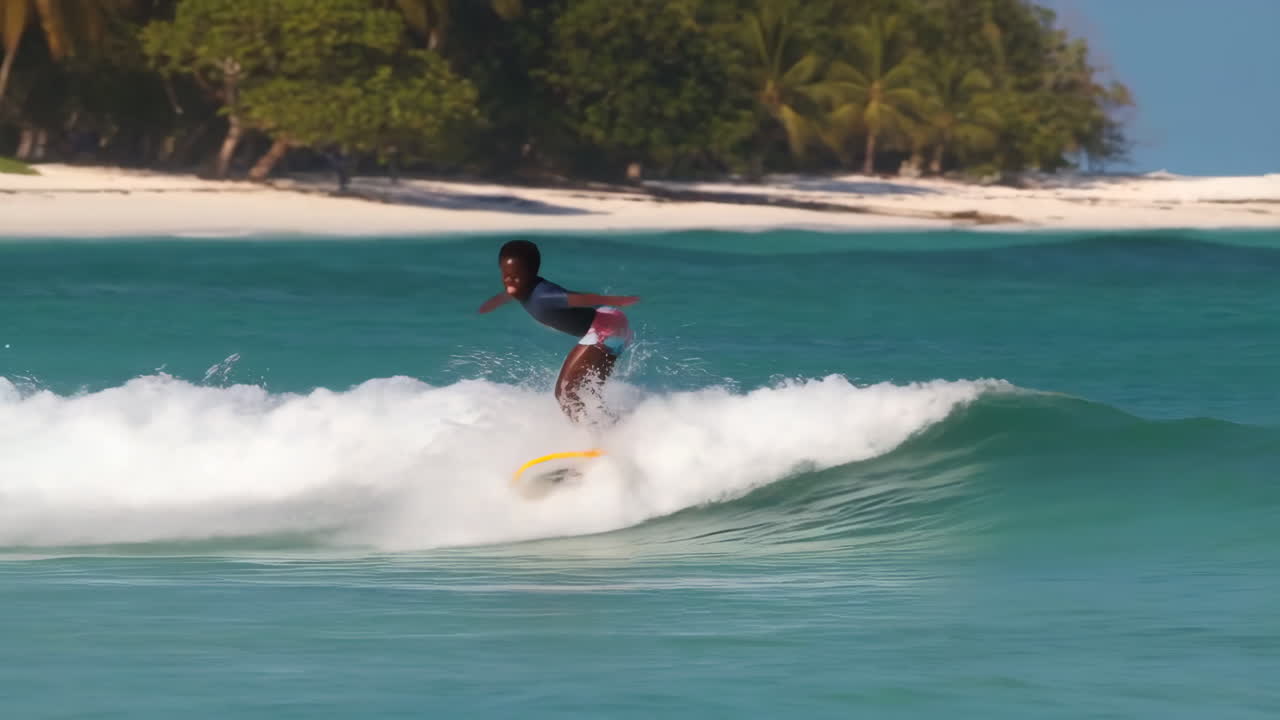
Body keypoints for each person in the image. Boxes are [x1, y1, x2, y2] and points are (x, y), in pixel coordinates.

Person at [478, 240, 639, 422]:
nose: (509, 282)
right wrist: (493, 303)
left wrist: (615, 299)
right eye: (505, 275)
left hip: (605, 327)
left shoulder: (543, 296)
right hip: (612, 325)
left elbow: (578, 298)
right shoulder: (523, 288)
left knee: (564, 393)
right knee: (590, 392)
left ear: (531, 274)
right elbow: (510, 291)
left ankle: (593, 436)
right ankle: (618, 429)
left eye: (516, 277)